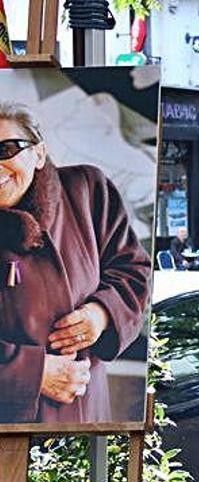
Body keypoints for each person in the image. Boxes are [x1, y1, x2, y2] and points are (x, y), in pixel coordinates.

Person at [0, 102, 151, 423]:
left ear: (39, 154)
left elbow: (134, 270)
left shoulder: (86, 190)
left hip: (85, 416)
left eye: (7, 149)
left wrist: (101, 314)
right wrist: (33, 373)